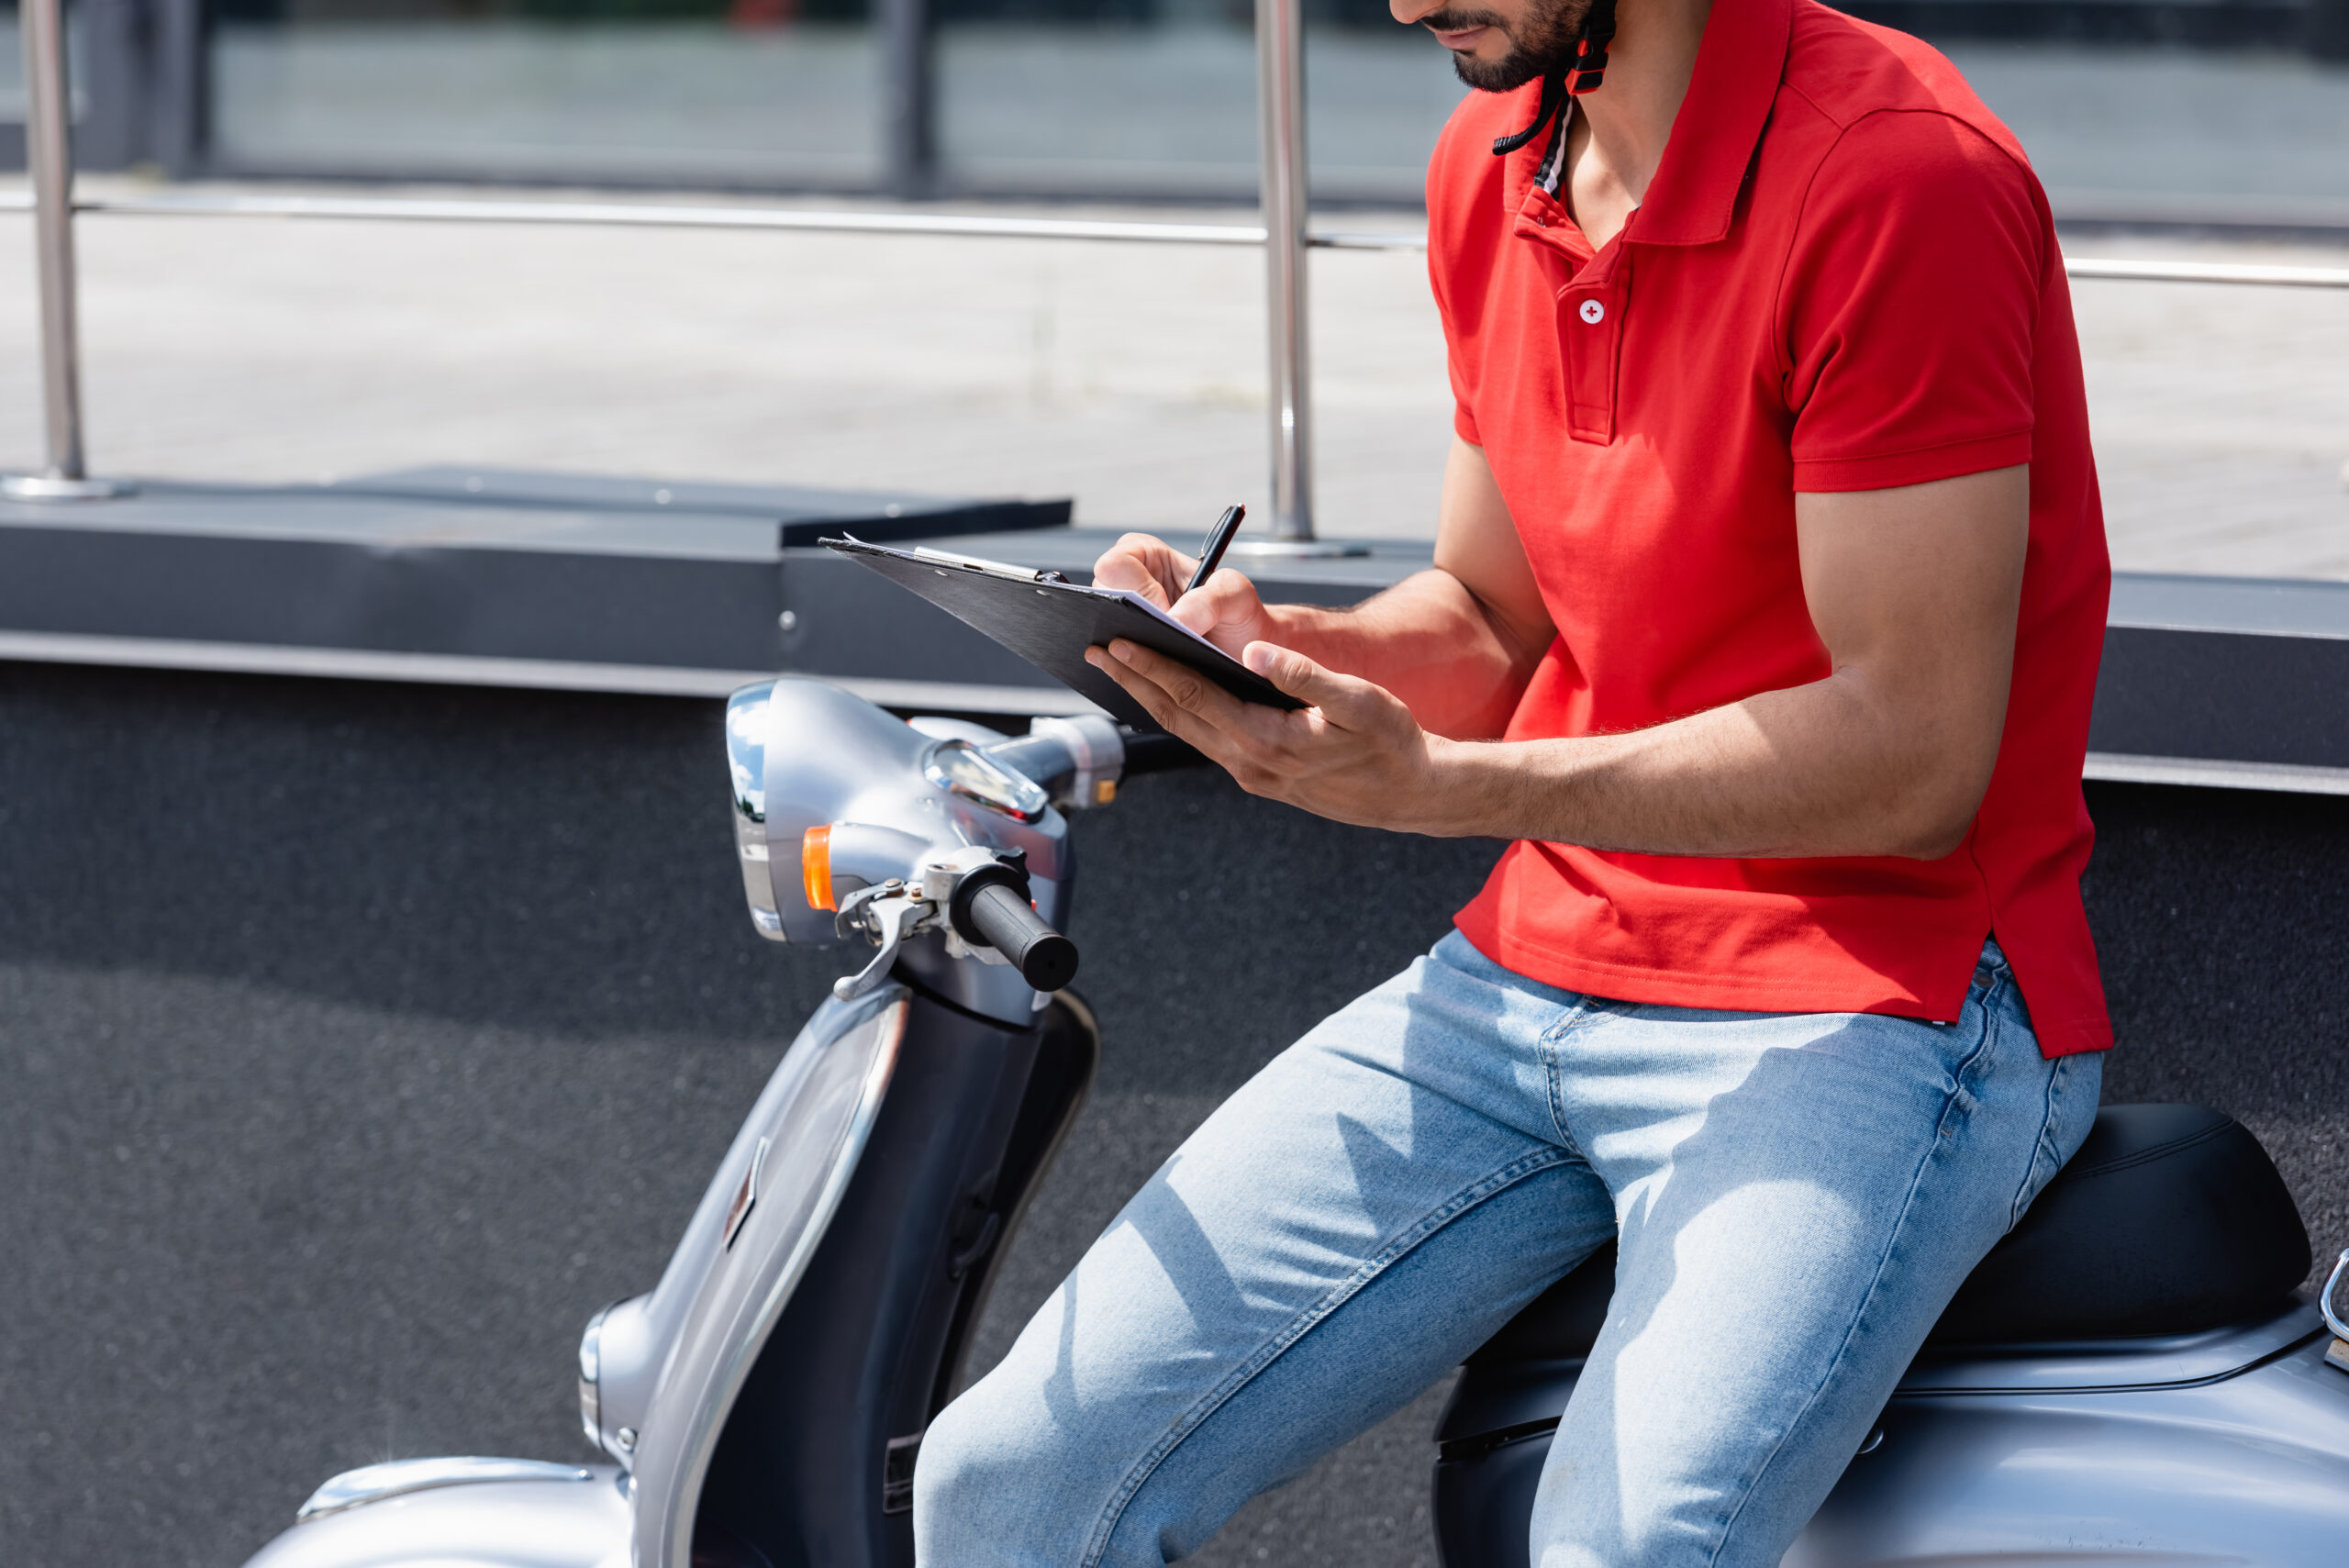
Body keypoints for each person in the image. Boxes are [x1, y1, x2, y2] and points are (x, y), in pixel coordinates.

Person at [915, 0, 2112, 1559]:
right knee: (1008, 1481)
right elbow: (1485, 618)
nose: (1407, 2)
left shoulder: (1898, 176)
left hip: (1881, 998)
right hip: (1528, 975)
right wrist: (1264, 645)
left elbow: (1914, 755)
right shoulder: (1495, 152)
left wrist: (1458, 787)